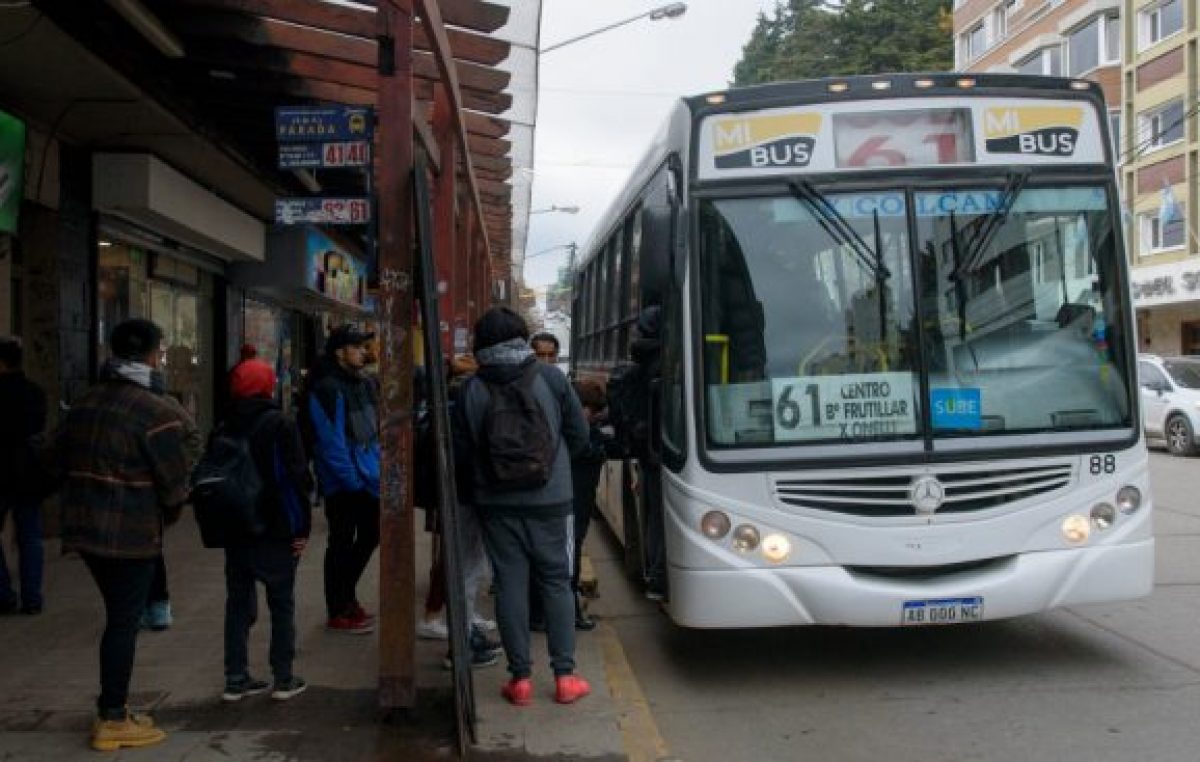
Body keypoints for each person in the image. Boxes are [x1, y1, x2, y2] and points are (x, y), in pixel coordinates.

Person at [48, 319, 190, 752]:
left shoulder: (85, 401)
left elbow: (53, 458)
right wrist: (169, 511)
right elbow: (174, 482)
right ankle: (112, 716)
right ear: (153, 354)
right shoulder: (157, 411)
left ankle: (115, 708)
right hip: (129, 533)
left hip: (84, 528)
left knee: (119, 616)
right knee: (123, 623)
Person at [454, 307, 591, 706]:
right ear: (521, 335)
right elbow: (579, 436)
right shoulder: (550, 377)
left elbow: (462, 454)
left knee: (510, 583)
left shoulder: (471, 388)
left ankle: (520, 681)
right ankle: (565, 677)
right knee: (556, 581)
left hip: (496, 503)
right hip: (552, 500)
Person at [220, 358, 312, 703]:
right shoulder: (279, 424)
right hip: (274, 526)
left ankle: (235, 677)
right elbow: (296, 479)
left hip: (236, 526)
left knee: (238, 603)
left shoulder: (225, 423)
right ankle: (283, 677)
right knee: (282, 602)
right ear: (268, 385)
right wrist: (301, 525)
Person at [308, 324, 380, 634]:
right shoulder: (326, 388)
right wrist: (350, 480)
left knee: (368, 535)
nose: (364, 351)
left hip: (366, 477)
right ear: (340, 351)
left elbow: (372, 431)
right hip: (343, 482)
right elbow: (330, 443)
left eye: (365, 346)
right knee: (341, 541)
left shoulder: (362, 383)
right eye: (358, 346)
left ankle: (345, 597)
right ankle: (338, 607)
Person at [0, 337, 47, 615]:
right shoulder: (34, 392)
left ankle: (4, 594)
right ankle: (32, 597)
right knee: (30, 536)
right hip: (28, 472)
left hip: (1, 472)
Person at [567, 379, 616, 630]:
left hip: (577, 502)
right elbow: (585, 452)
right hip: (572, 503)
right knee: (569, 555)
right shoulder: (576, 434)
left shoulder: (584, 429)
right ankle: (570, 613)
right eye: (592, 411)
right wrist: (599, 449)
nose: (594, 416)